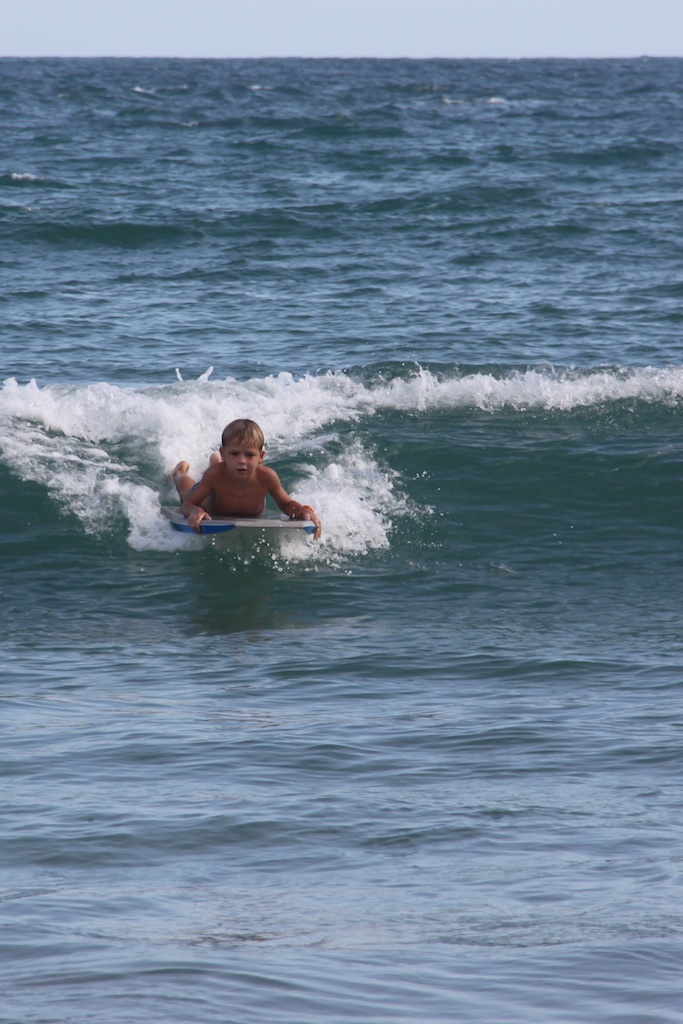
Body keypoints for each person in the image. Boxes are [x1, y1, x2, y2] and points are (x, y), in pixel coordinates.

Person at [171, 418, 322, 539]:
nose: (242, 460)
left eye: (249, 455)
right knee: (186, 492)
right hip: (211, 500)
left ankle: (215, 461)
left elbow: (286, 504)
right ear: (224, 453)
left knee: (225, 468)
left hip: (225, 473)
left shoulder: (267, 477)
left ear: (261, 456)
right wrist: (196, 510)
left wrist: (302, 511)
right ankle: (180, 472)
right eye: (234, 454)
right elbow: (188, 505)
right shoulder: (214, 475)